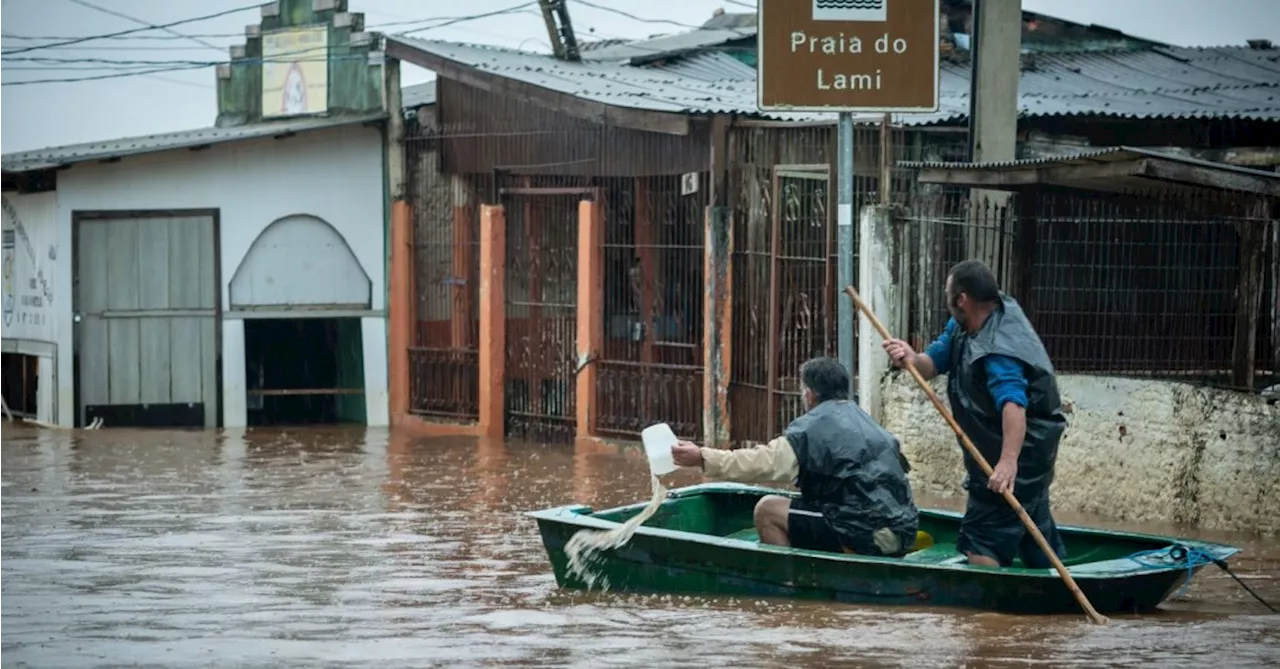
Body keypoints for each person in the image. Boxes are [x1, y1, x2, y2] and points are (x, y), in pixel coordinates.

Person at [881, 259, 1068, 569]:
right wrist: (910, 358)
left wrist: (1008, 463)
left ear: (962, 299)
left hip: (1016, 458)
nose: (945, 297)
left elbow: (1014, 406)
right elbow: (933, 362)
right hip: (1027, 461)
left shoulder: (998, 349)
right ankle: (1050, 606)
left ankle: (990, 613)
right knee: (1034, 535)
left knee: (981, 542)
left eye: (947, 291)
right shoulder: (963, 326)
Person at [670, 357, 919, 557]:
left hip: (867, 535)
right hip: (905, 532)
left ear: (809, 394)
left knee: (767, 509)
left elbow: (758, 464)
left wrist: (701, 457)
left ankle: (786, 585)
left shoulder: (811, 430)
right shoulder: (872, 425)